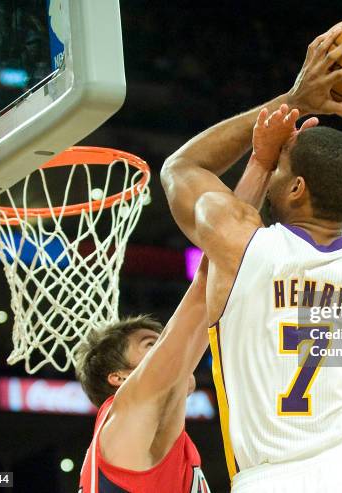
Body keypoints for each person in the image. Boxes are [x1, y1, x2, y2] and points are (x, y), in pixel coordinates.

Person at [161, 24, 342, 493]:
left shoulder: (243, 247)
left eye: (283, 166)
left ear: (296, 187)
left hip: (271, 481)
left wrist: (293, 101)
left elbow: (181, 168)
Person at [75, 134, 279, 492]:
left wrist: (263, 162)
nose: (166, 348)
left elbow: (214, 272)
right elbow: (205, 286)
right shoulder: (126, 416)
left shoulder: (165, 438)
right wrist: (261, 163)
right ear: (119, 379)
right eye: (149, 345)